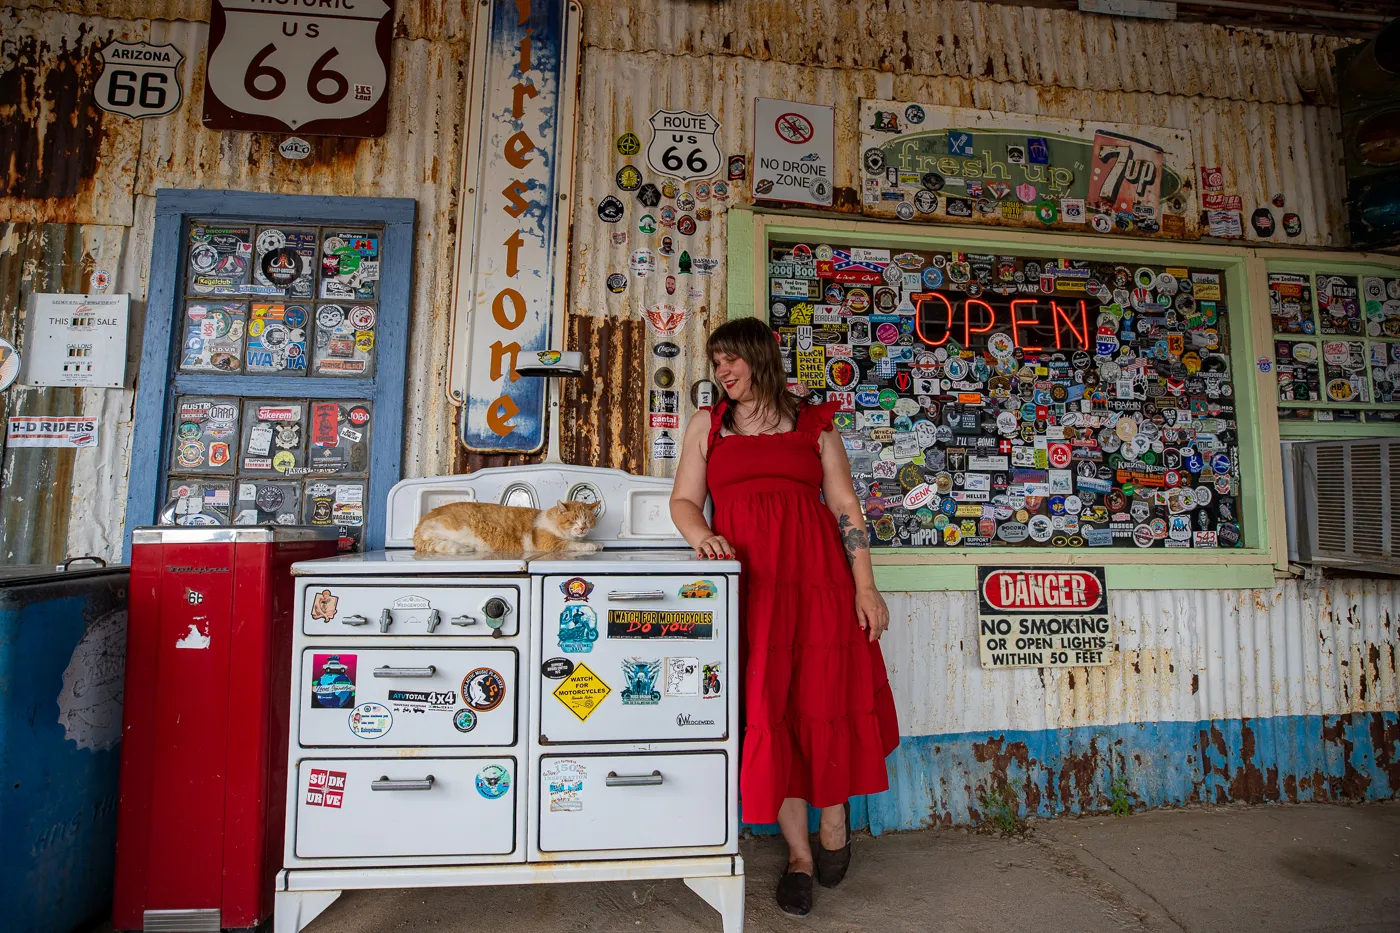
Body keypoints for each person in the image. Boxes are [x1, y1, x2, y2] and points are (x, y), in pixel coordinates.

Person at [669, 317, 900, 916]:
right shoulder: (708, 426)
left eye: (731, 361)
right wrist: (703, 537)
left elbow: (845, 505)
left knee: (824, 699)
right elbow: (684, 501)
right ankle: (799, 854)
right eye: (716, 363)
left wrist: (866, 588)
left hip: (820, 581)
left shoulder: (815, 426)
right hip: (752, 589)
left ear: (760, 359)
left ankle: (834, 821)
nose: (722, 372)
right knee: (771, 708)